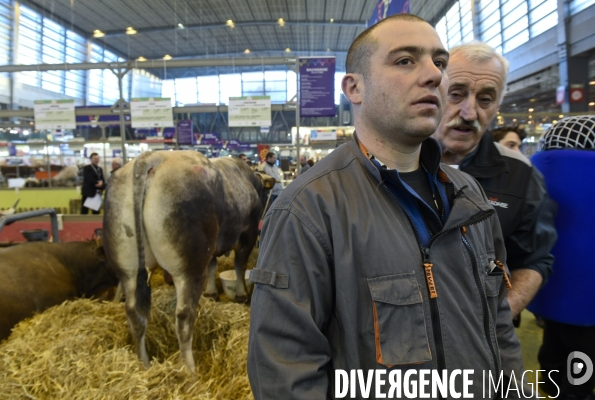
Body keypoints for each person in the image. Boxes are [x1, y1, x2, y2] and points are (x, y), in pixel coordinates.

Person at [248, 14, 525, 399]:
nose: (433, 76)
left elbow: (498, 326)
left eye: (439, 63)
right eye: (405, 61)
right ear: (354, 87)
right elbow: (285, 371)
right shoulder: (309, 210)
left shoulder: (469, 195)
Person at [433, 42, 557, 322]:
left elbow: (534, 259)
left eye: (485, 99)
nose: (469, 112)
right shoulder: (395, 164)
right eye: (456, 94)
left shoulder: (520, 175)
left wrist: (498, 319)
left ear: (498, 105)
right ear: (435, 92)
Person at [528, 115, 595, 400]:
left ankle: (549, 376)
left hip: (546, 269)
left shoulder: (534, 169)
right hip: (588, 277)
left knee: (554, 330)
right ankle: (576, 392)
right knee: (584, 342)